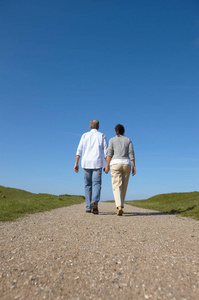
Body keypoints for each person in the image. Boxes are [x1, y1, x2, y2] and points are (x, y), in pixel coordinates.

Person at [74, 120, 108, 214]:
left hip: (86, 163)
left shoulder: (84, 135)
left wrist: (76, 163)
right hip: (97, 162)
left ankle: (88, 207)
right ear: (98, 127)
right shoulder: (102, 135)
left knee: (87, 185)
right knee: (97, 184)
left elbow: (79, 150)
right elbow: (106, 151)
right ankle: (94, 202)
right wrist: (107, 164)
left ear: (90, 127)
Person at [105, 124, 136, 216]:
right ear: (124, 131)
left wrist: (107, 166)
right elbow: (131, 153)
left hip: (115, 164)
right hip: (126, 164)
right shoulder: (128, 140)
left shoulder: (112, 140)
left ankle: (119, 206)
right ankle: (121, 206)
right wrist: (134, 166)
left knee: (116, 185)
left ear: (116, 131)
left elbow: (109, 154)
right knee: (124, 186)